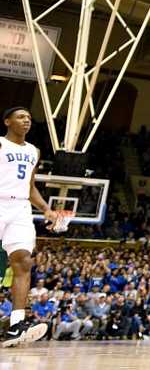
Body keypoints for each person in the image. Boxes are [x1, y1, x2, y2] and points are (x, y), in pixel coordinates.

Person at [1, 107, 57, 347]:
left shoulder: (34, 151)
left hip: (21, 208)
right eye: (21, 117)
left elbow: (30, 186)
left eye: (29, 118)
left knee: (24, 261)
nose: (26, 121)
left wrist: (46, 208)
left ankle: (16, 324)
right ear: (7, 121)